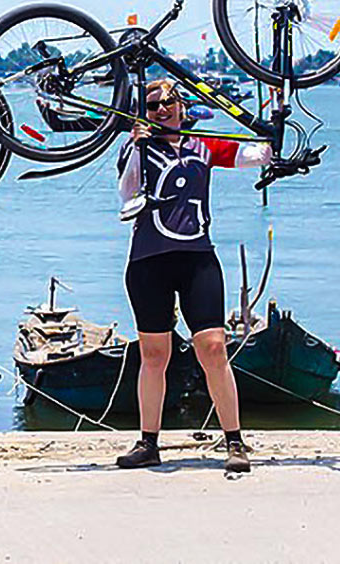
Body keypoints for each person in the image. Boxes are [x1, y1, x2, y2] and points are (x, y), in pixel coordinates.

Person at [114, 78, 271, 473]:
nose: (162, 110)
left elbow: (257, 155)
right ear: (142, 113)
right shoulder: (136, 148)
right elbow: (127, 193)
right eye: (152, 106)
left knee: (213, 348)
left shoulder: (203, 144)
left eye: (169, 102)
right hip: (148, 261)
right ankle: (148, 443)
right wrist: (136, 144)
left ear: (183, 107)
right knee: (154, 354)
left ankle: (234, 441)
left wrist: (273, 124)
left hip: (197, 258)